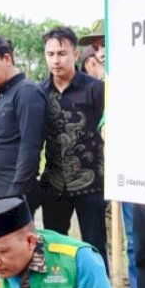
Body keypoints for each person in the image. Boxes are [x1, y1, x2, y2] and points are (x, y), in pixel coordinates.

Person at [39, 26, 107, 267]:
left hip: (91, 184)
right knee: (54, 246)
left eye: (62, 53)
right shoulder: (40, 92)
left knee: (95, 246)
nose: (56, 60)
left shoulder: (95, 88)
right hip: (54, 183)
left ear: (75, 54)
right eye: (50, 54)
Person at [0, 36, 46, 208]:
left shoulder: (26, 92)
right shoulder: (4, 93)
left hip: (12, 193)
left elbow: (30, 147)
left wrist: (15, 195)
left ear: (6, 58)